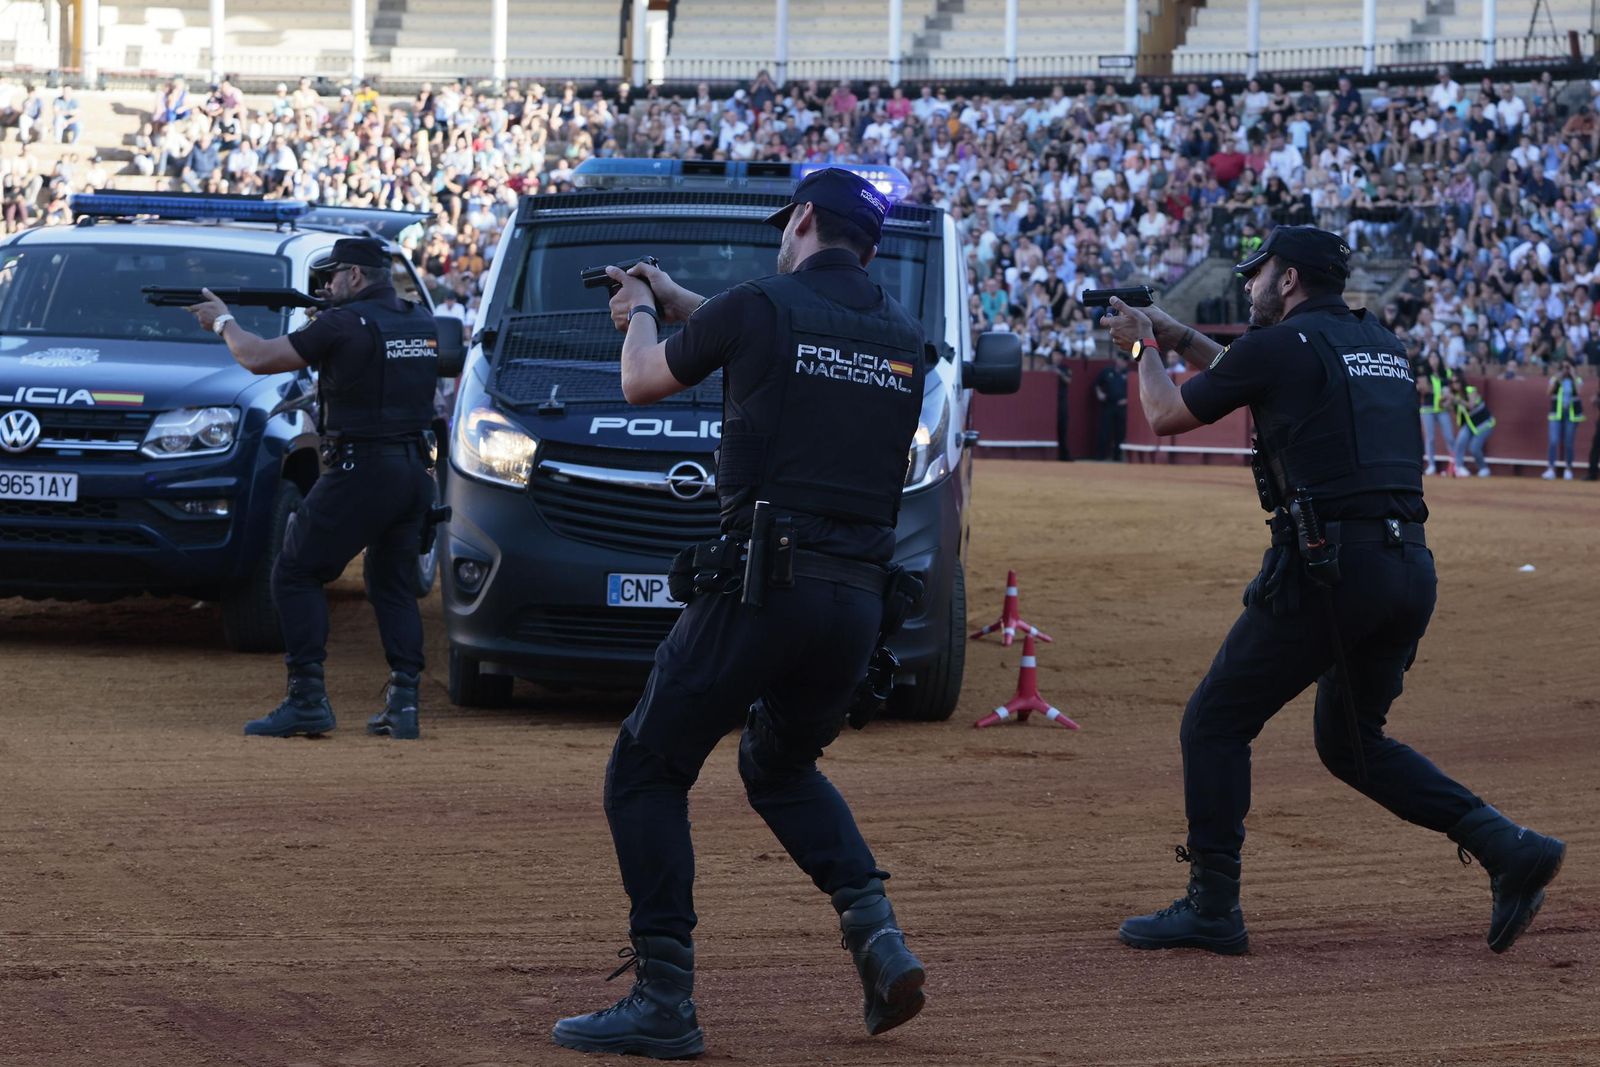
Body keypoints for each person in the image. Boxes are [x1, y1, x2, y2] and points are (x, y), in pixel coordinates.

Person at [1102, 224, 1564, 957]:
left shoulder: (1281, 345)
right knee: (1354, 744)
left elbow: (1165, 416)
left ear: (1288, 281)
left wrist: (1141, 346)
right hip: (1407, 567)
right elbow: (1256, 372)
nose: (1249, 285)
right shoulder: (1377, 340)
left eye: (1258, 275)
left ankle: (1213, 905)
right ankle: (1510, 847)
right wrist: (1177, 331)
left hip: (1332, 570)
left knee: (1213, 723)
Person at [551, 168, 928, 1058]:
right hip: (857, 601)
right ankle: (879, 940)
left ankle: (664, 999)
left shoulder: (760, 305)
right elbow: (775, 333)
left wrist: (639, 311)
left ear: (799, 219)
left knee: (646, 767)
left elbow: (644, 379)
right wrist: (675, 295)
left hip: (764, 586)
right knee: (782, 766)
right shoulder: (903, 332)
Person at [184, 237, 440, 740]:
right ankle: (404, 702)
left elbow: (257, 358)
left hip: (361, 468)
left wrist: (221, 321)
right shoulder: (418, 319)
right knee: (391, 585)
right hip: (413, 471)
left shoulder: (342, 323)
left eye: (332, 276)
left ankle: (307, 698)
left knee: (295, 571)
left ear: (357, 277)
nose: (325, 285)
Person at [1446, 374, 1495, 477]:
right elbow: (1449, 408)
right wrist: (1445, 401)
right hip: (1471, 425)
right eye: (1453, 383)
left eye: (1457, 382)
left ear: (1462, 382)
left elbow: (1471, 405)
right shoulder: (1457, 396)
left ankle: (1484, 468)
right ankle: (1458, 467)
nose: (1455, 385)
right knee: (1459, 442)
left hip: (1484, 424)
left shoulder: (1470, 390)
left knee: (1474, 448)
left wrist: (1457, 400)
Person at [1543, 359, 1584, 480]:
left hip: (1571, 415)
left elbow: (1579, 391)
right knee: (1553, 441)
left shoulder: (1577, 379)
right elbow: (1548, 392)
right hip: (1556, 414)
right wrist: (1557, 378)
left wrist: (1573, 374)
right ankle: (1550, 468)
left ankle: (1568, 468)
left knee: (1569, 443)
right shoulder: (1555, 379)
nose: (1565, 370)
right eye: (1563, 367)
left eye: (1568, 367)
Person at [1417, 352, 1453, 475]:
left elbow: (1448, 391)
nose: (1433, 359)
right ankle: (1431, 465)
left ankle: (1454, 464)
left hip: (1442, 409)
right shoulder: (1423, 372)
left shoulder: (1444, 373)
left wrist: (1447, 398)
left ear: (1439, 359)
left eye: (1435, 357)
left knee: (1449, 437)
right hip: (1428, 408)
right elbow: (1424, 389)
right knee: (1430, 438)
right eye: (1431, 357)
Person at [1093, 351, 1129, 460]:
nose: (1121, 362)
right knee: (1104, 431)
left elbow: (1135, 390)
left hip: (1121, 406)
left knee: (1120, 432)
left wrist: (1127, 400)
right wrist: (1099, 393)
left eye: (1123, 361)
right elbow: (1096, 384)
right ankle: (1101, 456)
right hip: (1108, 404)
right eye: (1119, 359)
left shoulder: (1128, 374)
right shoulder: (1107, 371)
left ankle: (1117, 457)